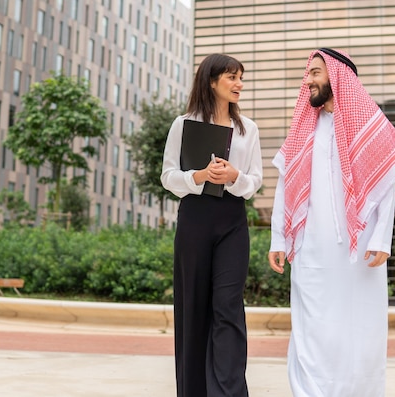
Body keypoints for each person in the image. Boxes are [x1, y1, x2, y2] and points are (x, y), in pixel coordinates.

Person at [268, 48, 395, 396]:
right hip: (310, 248)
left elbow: (385, 187)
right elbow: (285, 186)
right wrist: (279, 239)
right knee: (311, 328)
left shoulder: (368, 124)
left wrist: (382, 238)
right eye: (308, 74)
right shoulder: (304, 128)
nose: (308, 81)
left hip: (359, 252)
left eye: (315, 73)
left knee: (359, 330)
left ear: (338, 76)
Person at [161, 53, 263, 397]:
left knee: (229, 306)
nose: (239, 84)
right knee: (193, 306)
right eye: (232, 78)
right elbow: (168, 176)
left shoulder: (248, 129)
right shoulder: (183, 124)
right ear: (211, 81)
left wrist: (234, 177)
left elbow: (256, 181)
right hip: (195, 218)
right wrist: (200, 176)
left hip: (232, 220)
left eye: (240, 78)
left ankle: (229, 391)